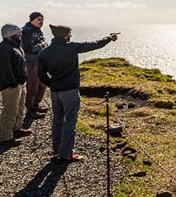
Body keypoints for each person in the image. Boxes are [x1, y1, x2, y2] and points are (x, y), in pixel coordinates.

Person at [37, 25, 118, 163]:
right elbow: (94, 44)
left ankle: (57, 149)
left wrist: (52, 84)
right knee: (70, 122)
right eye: (70, 33)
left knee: (57, 120)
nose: (71, 35)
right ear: (65, 35)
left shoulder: (44, 52)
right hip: (70, 91)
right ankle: (66, 154)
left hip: (55, 92)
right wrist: (109, 38)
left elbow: (41, 74)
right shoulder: (71, 47)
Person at [0, 24, 33, 144]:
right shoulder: (3, 49)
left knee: (19, 108)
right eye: (18, 33)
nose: (20, 35)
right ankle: (5, 136)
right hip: (11, 85)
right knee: (10, 110)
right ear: (11, 34)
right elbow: (4, 69)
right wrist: (13, 83)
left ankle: (16, 129)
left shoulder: (15, 46)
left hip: (19, 83)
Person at [21, 11, 49, 119]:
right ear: (31, 20)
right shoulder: (27, 31)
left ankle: (36, 105)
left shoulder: (38, 30)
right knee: (33, 84)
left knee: (43, 83)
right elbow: (28, 48)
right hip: (30, 62)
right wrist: (42, 45)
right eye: (38, 19)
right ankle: (30, 109)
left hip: (39, 61)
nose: (41, 22)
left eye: (42, 19)